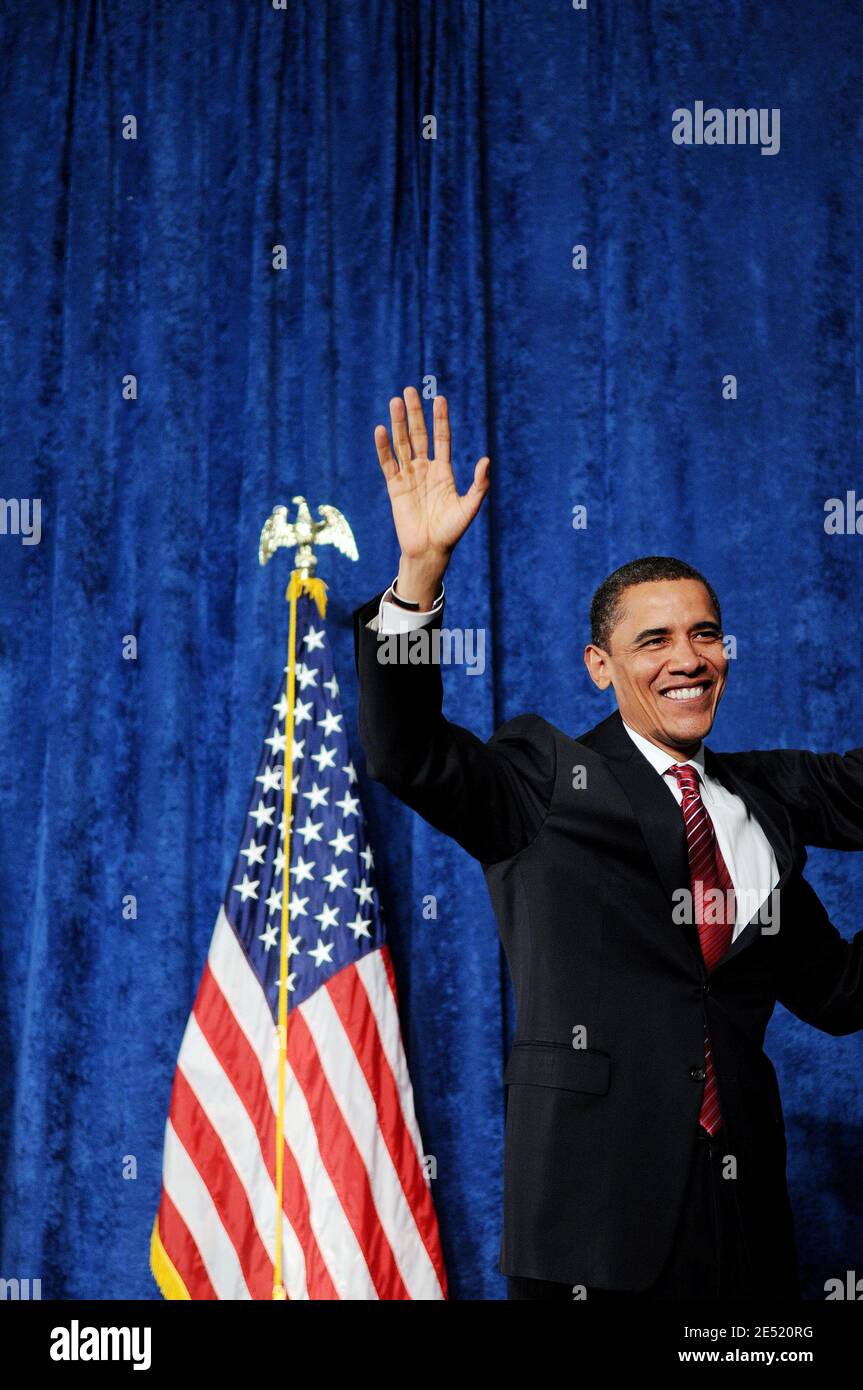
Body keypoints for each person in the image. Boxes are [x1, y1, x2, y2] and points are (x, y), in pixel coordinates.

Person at [352, 386, 863, 1300]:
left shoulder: (767, 800)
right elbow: (406, 752)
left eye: (704, 634)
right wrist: (419, 576)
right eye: (653, 639)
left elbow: (839, 996)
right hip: (591, 1227)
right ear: (601, 666)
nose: (686, 658)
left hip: (743, 1224)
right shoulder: (539, 779)